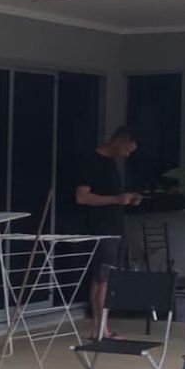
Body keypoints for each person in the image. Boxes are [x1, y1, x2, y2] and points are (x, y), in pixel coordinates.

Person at [74, 125, 143, 334]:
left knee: (102, 277)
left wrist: (127, 199)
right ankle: (100, 326)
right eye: (127, 149)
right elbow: (82, 196)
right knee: (104, 277)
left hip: (114, 226)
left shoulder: (112, 164)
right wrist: (115, 199)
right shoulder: (91, 162)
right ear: (119, 140)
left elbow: (112, 195)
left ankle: (100, 325)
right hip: (101, 229)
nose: (127, 154)